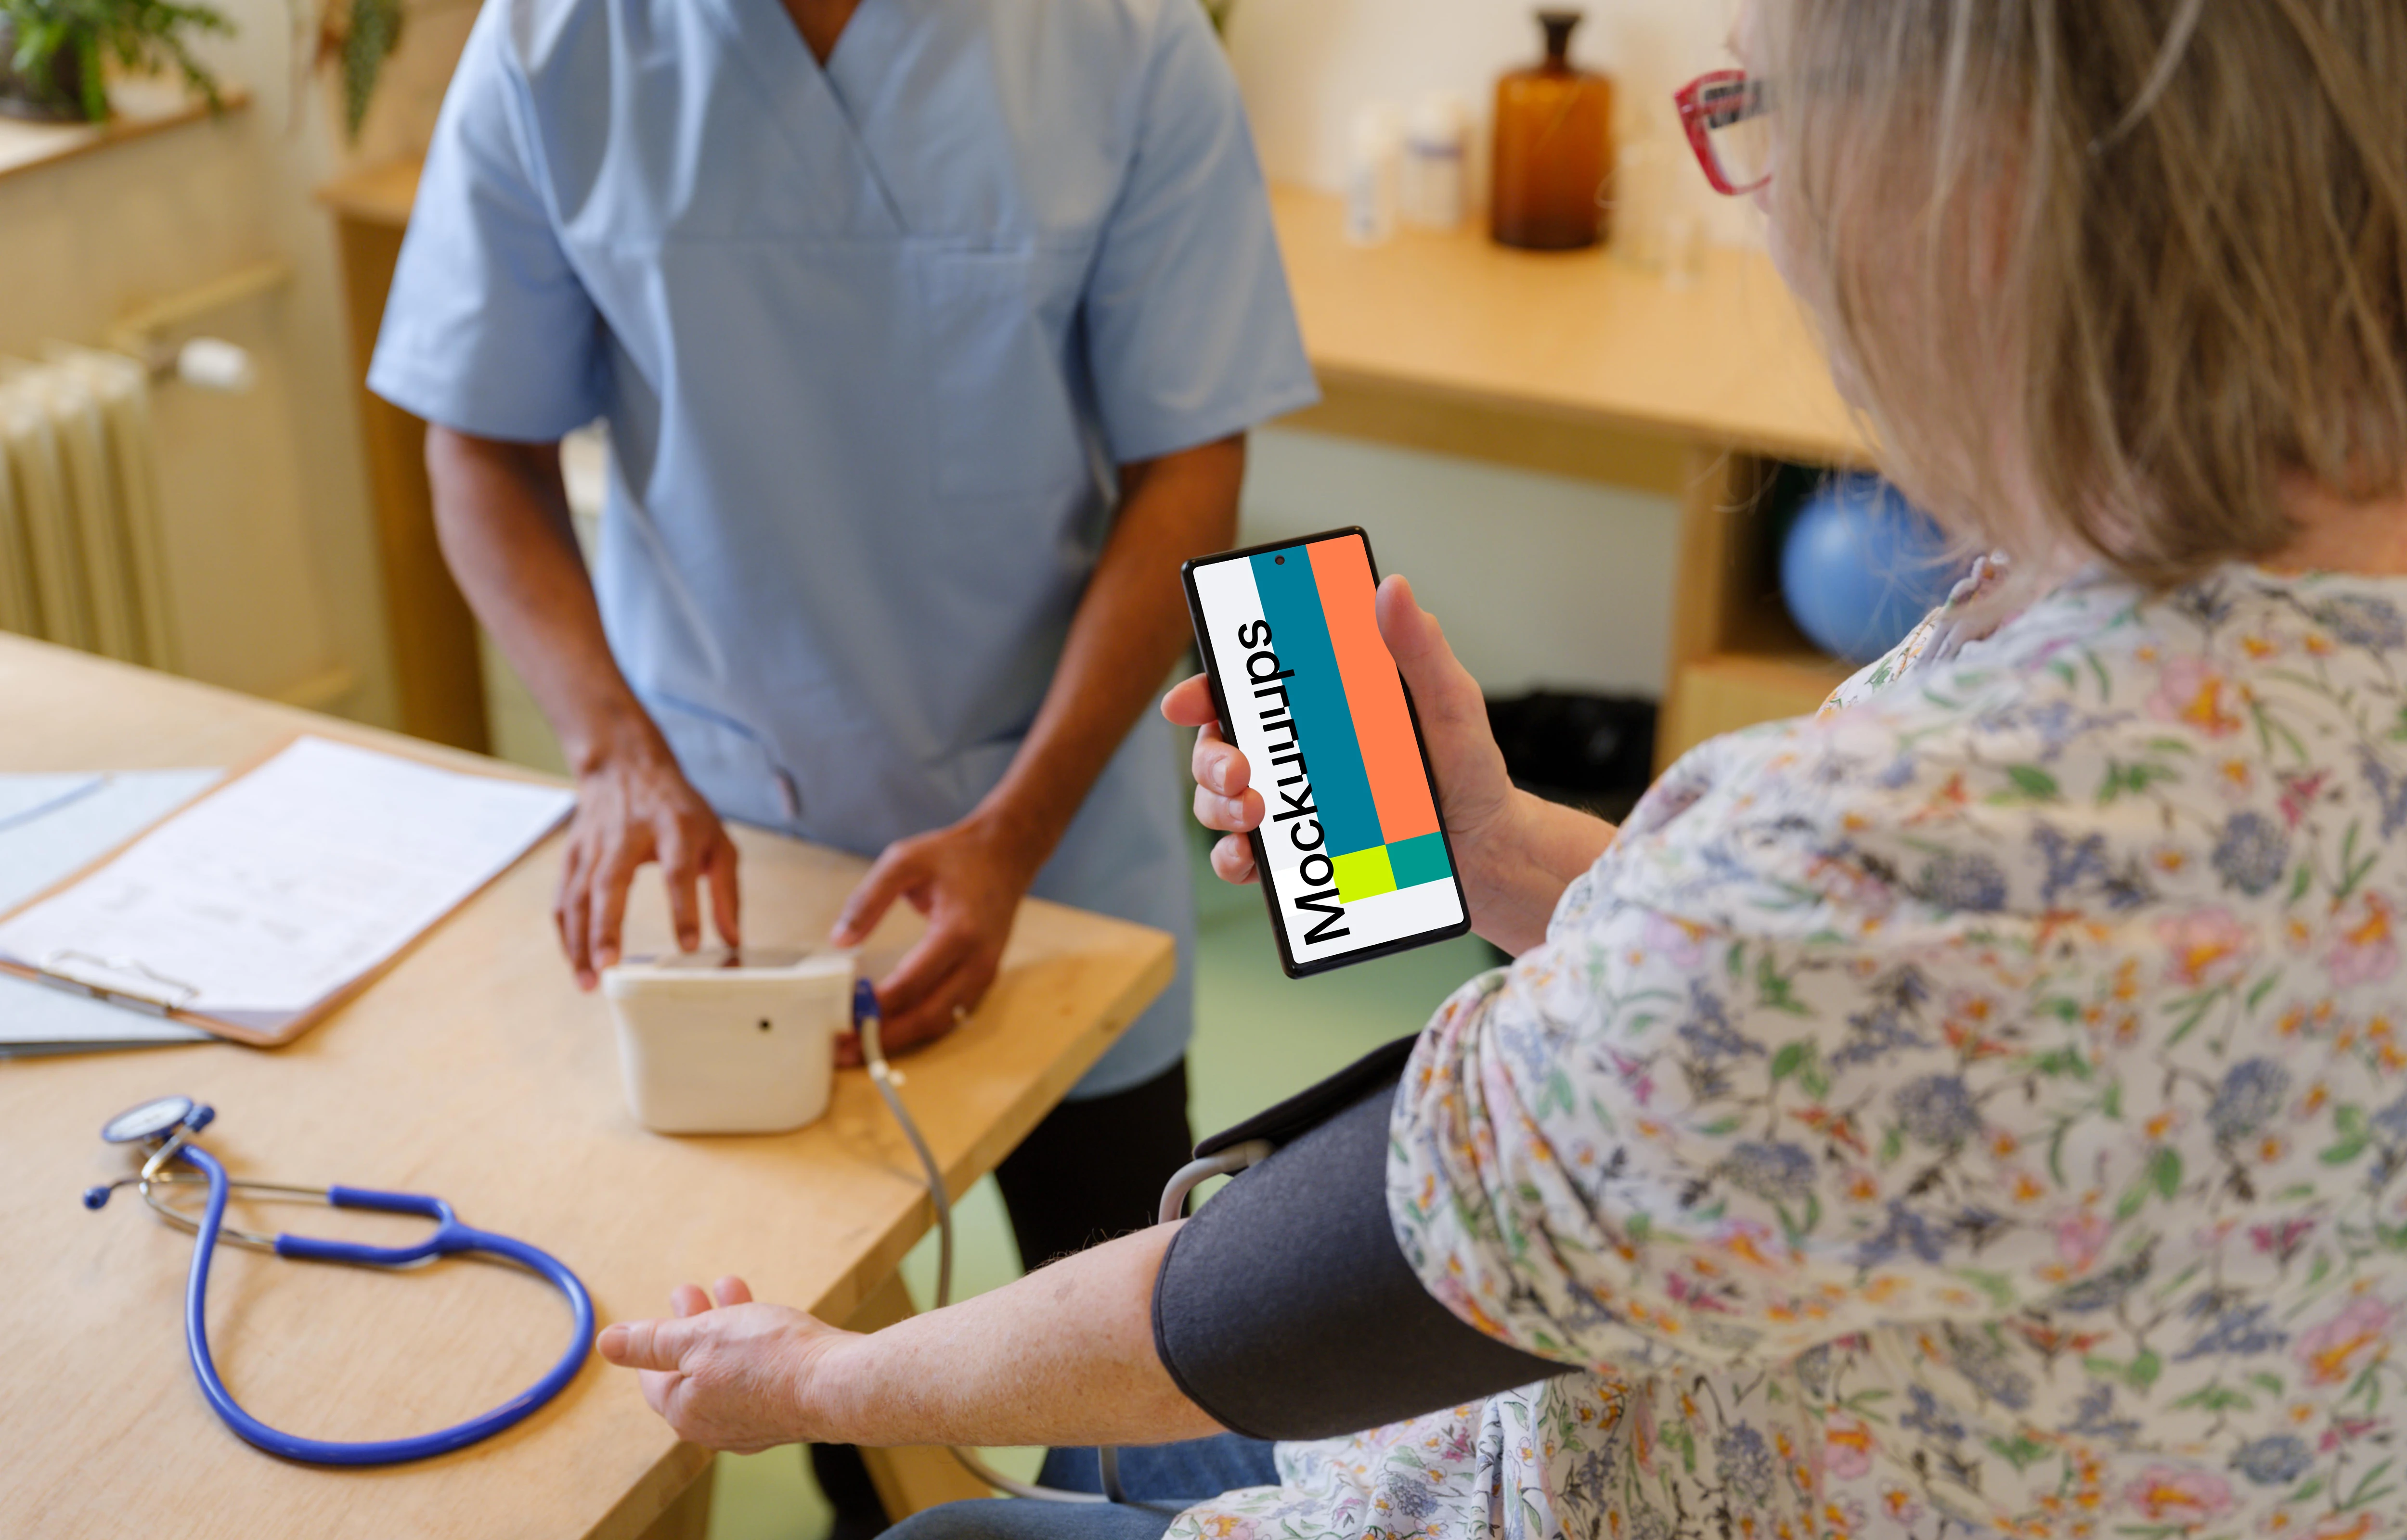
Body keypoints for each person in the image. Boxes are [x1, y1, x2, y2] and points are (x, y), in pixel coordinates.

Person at [590, 1, 2407, 1536]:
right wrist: (1514, 855)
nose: (1775, 226)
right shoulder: (2171, 618)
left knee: (983, 1508)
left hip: (1635, 1436)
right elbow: (1888, 1057)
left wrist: (817, 1378)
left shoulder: (1914, 852)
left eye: (1763, 124)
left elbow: (1264, 1308)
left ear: (1972, 195)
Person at [370, 0, 1313, 1321]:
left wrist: (1017, 827)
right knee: (789, 1340)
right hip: (732, 856)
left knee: (1125, 1330)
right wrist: (612, 752)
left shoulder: (1124, 39)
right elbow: (476, 442)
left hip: (1055, 838)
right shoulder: (556, 40)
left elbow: (1191, 468)